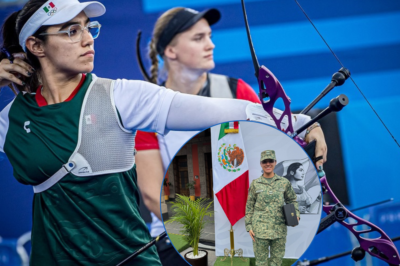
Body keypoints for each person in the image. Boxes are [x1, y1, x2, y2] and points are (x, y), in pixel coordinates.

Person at [0, 0, 301, 265]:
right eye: (71, 31)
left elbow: (234, 111)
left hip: (131, 258)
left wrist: (302, 122)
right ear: (36, 46)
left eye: (88, 28)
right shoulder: (10, 119)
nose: (88, 39)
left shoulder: (121, 96)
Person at [134, 7, 327, 265]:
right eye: (198, 38)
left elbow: (277, 129)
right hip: (180, 240)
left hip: (243, 232)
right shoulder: (149, 109)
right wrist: (211, 239)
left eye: (210, 36)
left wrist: (310, 126)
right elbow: (151, 193)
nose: (211, 45)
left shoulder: (235, 90)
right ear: (170, 51)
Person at [245, 150, 300, 266]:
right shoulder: (255, 184)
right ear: (261, 163)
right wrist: (249, 225)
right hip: (259, 231)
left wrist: (296, 216)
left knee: (277, 262)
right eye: (265, 161)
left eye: (270, 161)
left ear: (275, 162)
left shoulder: (284, 182)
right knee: (261, 263)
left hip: (279, 230)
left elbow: (292, 200)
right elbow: (249, 205)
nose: (268, 164)